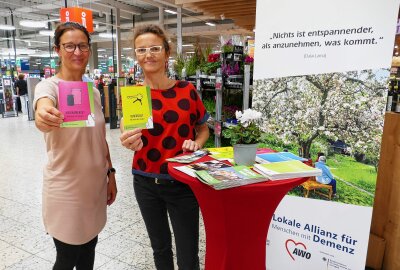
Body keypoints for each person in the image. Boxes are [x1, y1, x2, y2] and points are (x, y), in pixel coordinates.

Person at [119, 24, 209, 270]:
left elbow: (203, 128)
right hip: (145, 181)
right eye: (141, 50)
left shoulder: (186, 91)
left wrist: (197, 143)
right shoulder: (134, 95)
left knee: (188, 254)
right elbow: (128, 131)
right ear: (136, 56)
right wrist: (128, 139)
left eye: (155, 48)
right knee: (160, 249)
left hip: (182, 182)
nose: (148, 54)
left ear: (167, 53)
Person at [33, 22, 117, 270]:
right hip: (65, 189)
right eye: (69, 46)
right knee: (67, 256)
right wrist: (43, 114)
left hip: (94, 186)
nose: (77, 52)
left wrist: (110, 173)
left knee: (89, 251)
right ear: (57, 50)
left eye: (82, 46)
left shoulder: (93, 91)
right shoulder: (49, 87)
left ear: (89, 50)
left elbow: (100, 138)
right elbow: (43, 107)